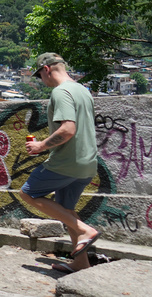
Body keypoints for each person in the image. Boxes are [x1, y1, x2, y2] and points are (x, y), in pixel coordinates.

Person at [21, 52, 100, 274]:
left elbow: (68, 130)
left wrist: (40, 146)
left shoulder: (61, 92)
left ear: (46, 69)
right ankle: (81, 262)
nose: (41, 81)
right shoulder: (82, 90)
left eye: (39, 75)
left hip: (67, 161)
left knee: (27, 193)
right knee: (66, 211)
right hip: (87, 163)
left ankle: (85, 231)